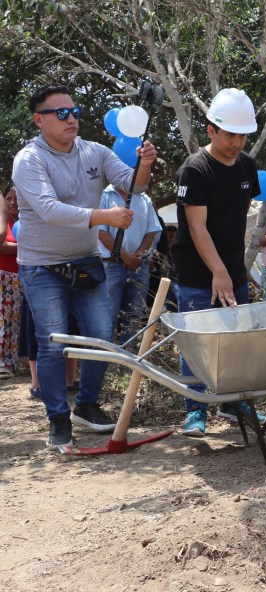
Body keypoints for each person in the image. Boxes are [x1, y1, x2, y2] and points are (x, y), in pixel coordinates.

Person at [12, 84, 156, 448]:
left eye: (74, 112)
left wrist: (144, 165)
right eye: (61, 113)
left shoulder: (96, 151)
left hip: (86, 262)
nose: (71, 118)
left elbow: (134, 187)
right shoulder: (29, 159)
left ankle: (87, 406)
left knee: (100, 337)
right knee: (52, 342)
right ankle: (58, 420)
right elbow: (48, 209)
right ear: (39, 120)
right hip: (41, 267)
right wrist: (103, 216)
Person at [172, 88, 264, 437]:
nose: (237, 143)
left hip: (232, 271)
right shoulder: (195, 170)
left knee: (236, 341)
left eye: (243, 135)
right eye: (230, 135)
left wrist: (236, 269)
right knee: (198, 342)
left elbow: (240, 218)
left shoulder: (247, 166)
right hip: (197, 274)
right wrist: (218, 272)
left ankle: (233, 403)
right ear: (211, 130)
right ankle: (195, 410)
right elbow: (197, 228)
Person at [98, 185, 161, 344]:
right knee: (108, 317)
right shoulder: (103, 196)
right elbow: (100, 232)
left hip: (139, 265)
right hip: (111, 265)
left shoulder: (145, 199)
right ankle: (105, 356)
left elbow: (151, 230)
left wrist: (138, 255)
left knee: (134, 317)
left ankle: (128, 357)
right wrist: (124, 255)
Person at [0, 184, 21, 379]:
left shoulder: (26, 221)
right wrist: (26, 244)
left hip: (20, 280)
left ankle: (11, 362)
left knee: (15, 323)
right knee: (3, 322)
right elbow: (3, 247)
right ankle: (2, 363)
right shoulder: (2, 220)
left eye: (17, 198)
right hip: (4, 279)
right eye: (9, 199)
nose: (13, 203)